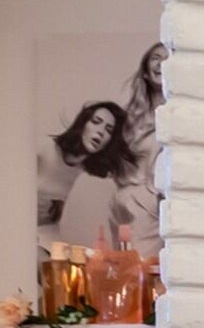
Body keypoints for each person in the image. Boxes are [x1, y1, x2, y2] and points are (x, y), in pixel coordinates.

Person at [38, 101, 134, 250]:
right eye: (96, 122)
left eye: (109, 130)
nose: (101, 132)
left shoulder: (85, 172)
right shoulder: (44, 150)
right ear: (82, 124)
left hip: (46, 235)